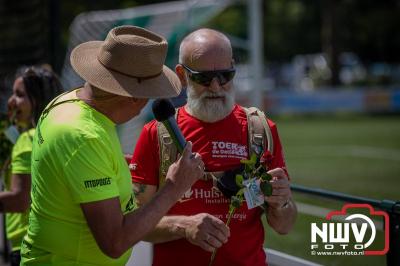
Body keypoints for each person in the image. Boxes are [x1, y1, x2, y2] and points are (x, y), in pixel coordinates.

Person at [20, 26, 204, 265]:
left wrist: (111, 166)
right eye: (148, 96)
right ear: (134, 97)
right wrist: (173, 187)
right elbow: (114, 243)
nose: (145, 106)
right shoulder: (85, 137)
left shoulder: (66, 101)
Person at [130, 28, 297, 266]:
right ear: (182, 75)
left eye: (225, 75)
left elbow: (285, 226)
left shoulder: (261, 130)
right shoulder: (156, 133)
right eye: (204, 78)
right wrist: (184, 226)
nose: (216, 87)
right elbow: (134, 225)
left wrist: (281, 202)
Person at [1, 65, 63, 266]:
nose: (11, 102)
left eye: (19, 95)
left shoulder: (29, 139)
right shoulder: (58, 138)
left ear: (37, 101)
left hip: (27, 248)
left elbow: (20, 199)